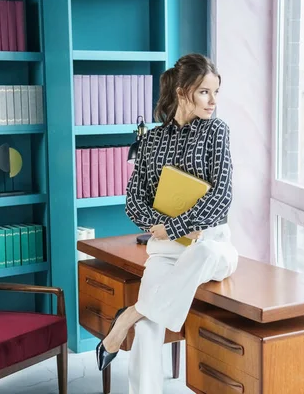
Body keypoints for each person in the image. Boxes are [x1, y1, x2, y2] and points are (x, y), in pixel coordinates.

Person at [95, 53, 239, 394]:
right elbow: (134, 200)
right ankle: (136, 328)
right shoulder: (151, 141)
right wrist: (165, 226)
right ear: (181, 91)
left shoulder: (217, 131)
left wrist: (177, 226)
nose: (213, 101)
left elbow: (222, 196)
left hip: (213, 244)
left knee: (201, 255)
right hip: (165, 251)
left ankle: (126, 318)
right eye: (205, 92)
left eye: (216, 92)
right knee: (147, 332)